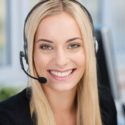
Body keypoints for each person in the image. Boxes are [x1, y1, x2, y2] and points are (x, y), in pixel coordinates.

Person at [0, 0, 117, 125]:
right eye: (46, 47)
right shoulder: (6, 118)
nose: (61, 61)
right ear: (29, 54)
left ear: (92, 50)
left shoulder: (104, 105)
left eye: (73, 45)